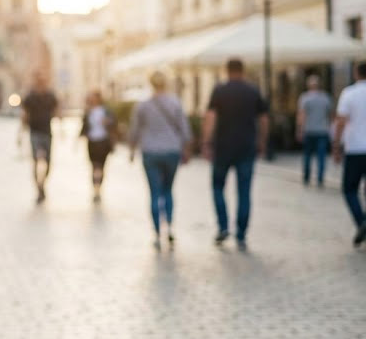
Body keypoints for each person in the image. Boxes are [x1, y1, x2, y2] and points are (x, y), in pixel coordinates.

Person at [201, 58, 267, 251]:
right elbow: (264, 119)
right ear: (243, 70)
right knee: (244, 191)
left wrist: (206, 142)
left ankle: (223, 227)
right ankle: (241, 233)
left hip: (223, 147)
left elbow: (211, 117)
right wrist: (262, 141)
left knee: (217, 187)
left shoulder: (220, 90)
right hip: (247, 147)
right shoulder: (253, 91)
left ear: (227, 70)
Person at [129, 71, 192, 249]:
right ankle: (170, 227)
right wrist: (186, 150)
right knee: (168, 190)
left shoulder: (143, 105)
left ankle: (157, 232)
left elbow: (134, 129)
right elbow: (185, 129)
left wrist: (132, 150)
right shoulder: (175, 102)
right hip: (172, 150)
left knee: (154, 193)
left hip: (150, 151)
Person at [332, 62, 366, 247]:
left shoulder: (349, 93)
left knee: (349, 189)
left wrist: (336, 146)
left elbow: (341, 122)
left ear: (356, 73)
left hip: (355, 149)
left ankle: (361, 222)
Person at [22, 75, 58, 203]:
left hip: (47, 132)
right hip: (35, 133)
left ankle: (42, 184)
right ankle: (38, 188)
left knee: (48, 162)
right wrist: (21, 133)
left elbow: (56, 111)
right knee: (36, 160)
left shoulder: (50, 96)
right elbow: (25, 115)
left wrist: (61, 127)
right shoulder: (30, 97)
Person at [80, 90, 116, 203]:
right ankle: (95, 189)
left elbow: (114, 123)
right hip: (92, 141)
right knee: (94, 166)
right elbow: (84, 126)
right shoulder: (89, 111)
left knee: (101, 166)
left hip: (103, 141)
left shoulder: (106, 111)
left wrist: (107, 122)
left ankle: (99, 187)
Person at [297, 74, 332, 187]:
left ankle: (306, 177)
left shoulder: (305, 97)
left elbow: (302, 115)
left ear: (309, 85)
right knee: (321, 157)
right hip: (323, 130)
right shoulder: (326, 97)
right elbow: (330, 115)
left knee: (307, 155)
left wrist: (299, 130)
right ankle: (320, 179)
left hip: (309, 130)